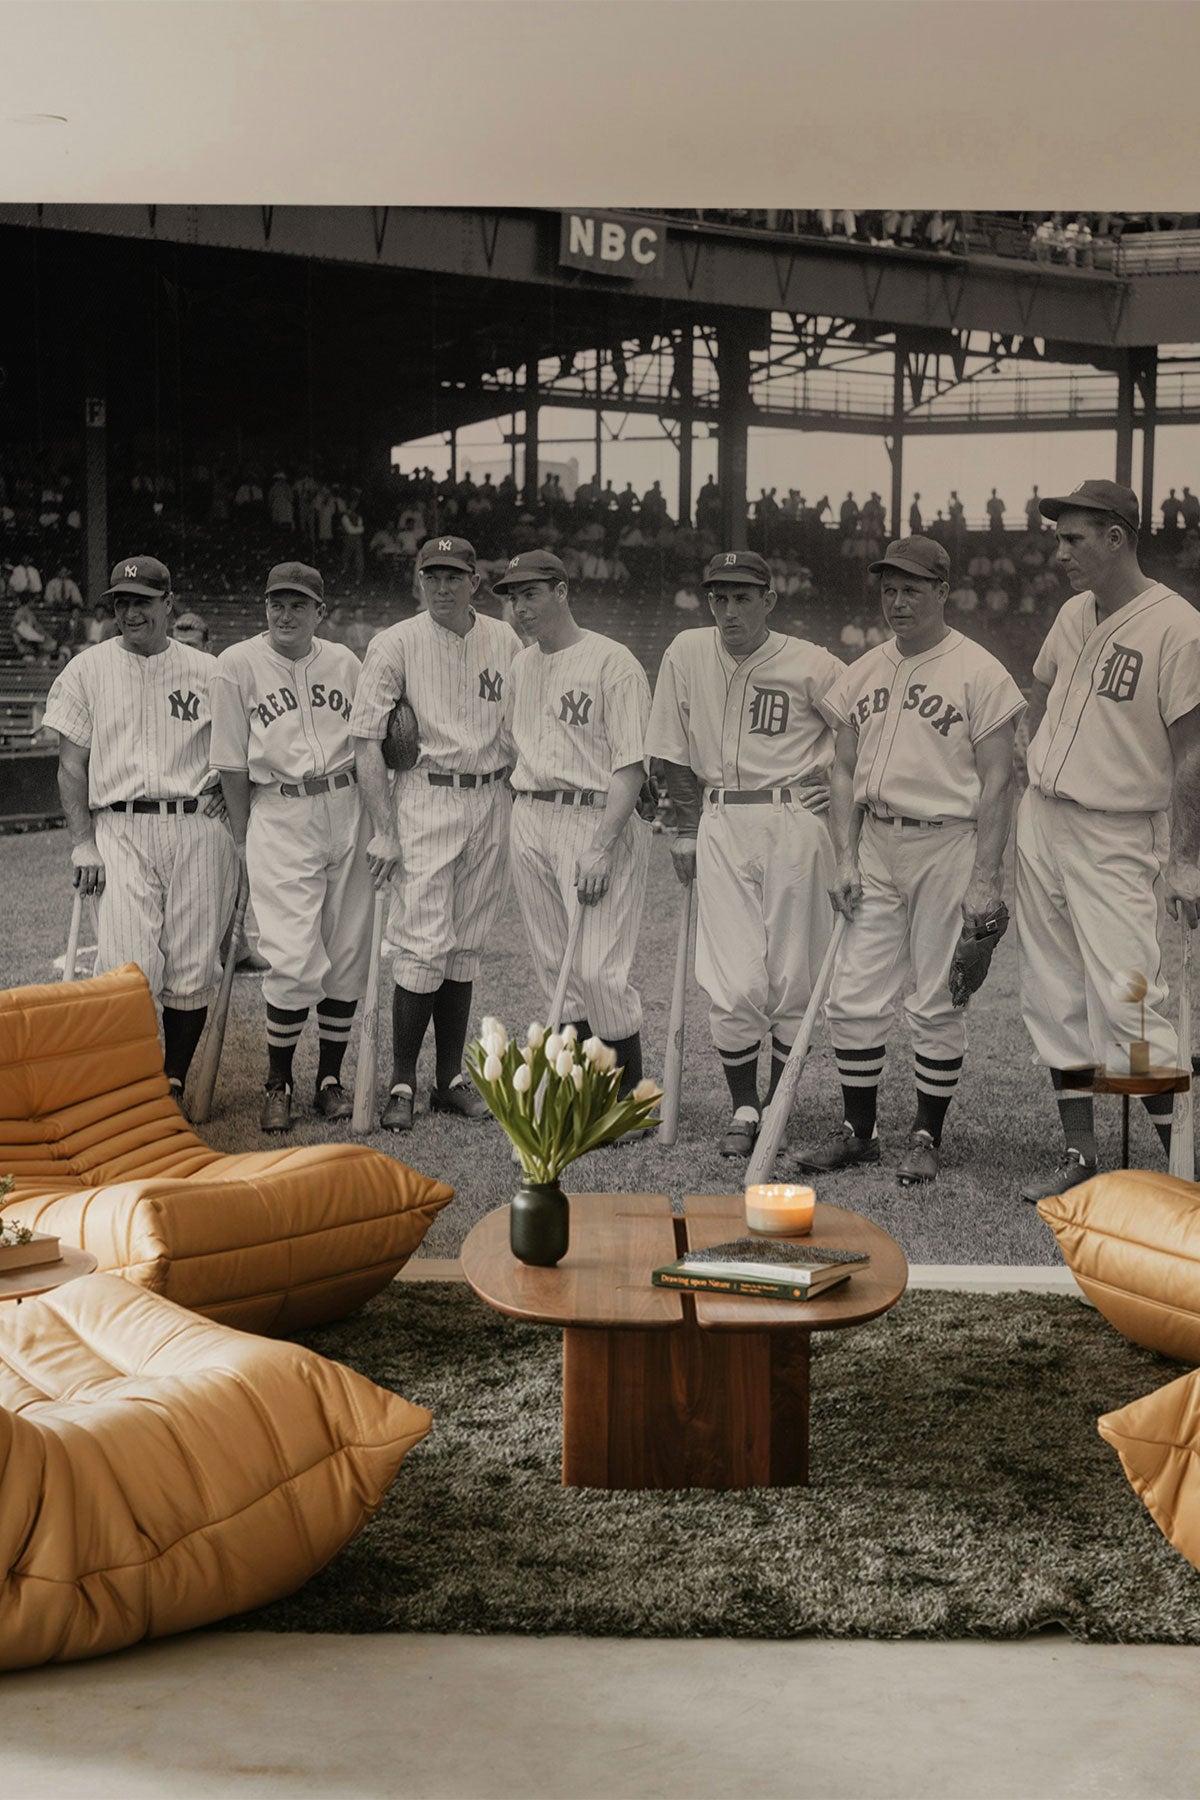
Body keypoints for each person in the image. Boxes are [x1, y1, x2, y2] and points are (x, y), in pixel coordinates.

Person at [786, 537, 1024, 1185]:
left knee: (936, 998)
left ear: (943, 591)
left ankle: (926, 1134)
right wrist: (843, 857)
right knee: (854, 992)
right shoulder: (861, 671)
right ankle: (858, 1132)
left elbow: (999, 783)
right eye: (889, 589)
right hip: (876, 842)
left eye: (912, 589)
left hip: (947, 842)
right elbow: (840, 771)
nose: (897, 601)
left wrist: (985, 877)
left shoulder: (980, 672)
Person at [1015, 479, 1200, 1200]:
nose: (1061, 551)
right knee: (1053, 994)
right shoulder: (1071, 612)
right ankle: (1081, 1153)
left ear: (1117, 538)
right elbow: (1040, 688)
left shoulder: (1178, 627)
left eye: (1074, 538)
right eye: (1060, 537)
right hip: (1044, 818)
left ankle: (1182, 1167)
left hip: (1119, 829)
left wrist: (1187, 858)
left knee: (1129, 1000)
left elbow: (1191, 754)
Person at [646, 548, 845, 1157]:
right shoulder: (686, 651)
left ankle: (779, 1099)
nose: (728, 610)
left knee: (792, 974)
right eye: (719, 598)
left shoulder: (813, 662)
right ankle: (744, 1106)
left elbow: (865, 730)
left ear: (769, 601)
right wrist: (682, 828)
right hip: (720, 818)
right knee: (732, 982)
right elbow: (670, 747)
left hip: (794, 822)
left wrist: (837, 776)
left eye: (741, 598)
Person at [41, 555, 237, 1108]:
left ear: (167, 604)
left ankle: (171, 1080)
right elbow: (71, 765)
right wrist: (82, 842)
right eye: (121, 603)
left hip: (198, 825)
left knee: (194, 961)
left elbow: (236, 756)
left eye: (142, 602)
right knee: (129, 963)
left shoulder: (209, 671)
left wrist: (231, 802)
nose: (130, 613)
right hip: (120, 826)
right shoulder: (87, 669)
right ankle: (130, 1078)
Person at [351, 535, 522, 1132]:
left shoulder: (504, 639)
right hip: (425, 794)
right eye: (432, 576)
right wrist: (384, 829)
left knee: (465, 942)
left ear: (475, 581)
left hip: (491, 794)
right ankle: (402, 1079)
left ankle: (449, 1078)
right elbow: (368, 741)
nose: (443, 587)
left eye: (454, 576)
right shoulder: (394, 642)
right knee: (423, 943)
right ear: (418, 581)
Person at [210, 561, 376, 1132]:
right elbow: (231, 762)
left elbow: (369, 743)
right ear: (264, 608)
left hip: (349, 804)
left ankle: (328, 1079)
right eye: (277, 603)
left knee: (347, 950)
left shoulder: (346, 663)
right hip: (280, 810)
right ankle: (277, 1081)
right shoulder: (236, 665)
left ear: (319, 612)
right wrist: (240, 835)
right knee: (292, 954)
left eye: (299, 604)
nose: (286, 614)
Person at [494, 547, 652, 1098]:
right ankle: (585, 1087)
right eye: (514, 597)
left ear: (561, 592)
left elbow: (631, 765)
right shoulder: (520, 664)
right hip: (532, 812)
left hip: (594, 818)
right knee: (554, 963)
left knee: (599, 969)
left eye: (531, 593)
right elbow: (512, 746)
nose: (520, 607)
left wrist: (602, 847)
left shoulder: (614, 662)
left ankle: (629, 1093)